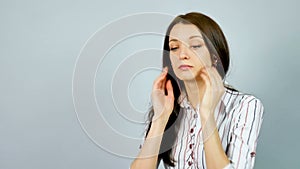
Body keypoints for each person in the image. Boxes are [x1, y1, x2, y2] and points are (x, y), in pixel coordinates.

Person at [130, 12, 264, 169]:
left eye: (195, 46)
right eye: (174, 47)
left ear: (215, 56)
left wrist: (206, 113)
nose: (182, 55)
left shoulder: (245, 106)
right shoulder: (168, 106)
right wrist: (160, 119)